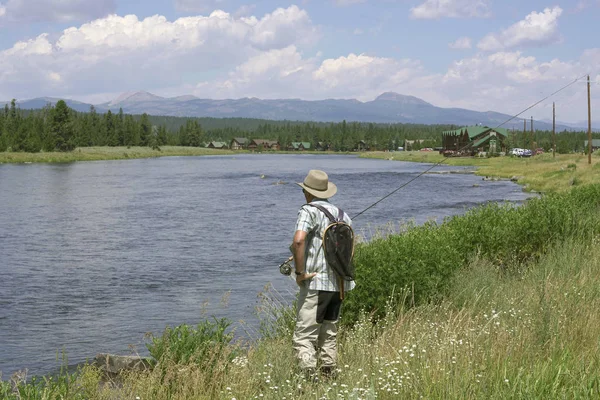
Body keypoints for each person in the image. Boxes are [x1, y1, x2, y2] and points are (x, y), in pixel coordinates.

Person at [291, 169, 354, 381]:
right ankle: (329, 376)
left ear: (308, 193)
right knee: (329, 333)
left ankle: (309, 379)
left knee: (304, 337)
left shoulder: (308, 211)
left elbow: (299, 240)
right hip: (339, 285)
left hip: (315, 283)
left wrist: (300, 273)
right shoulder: (343, 215)